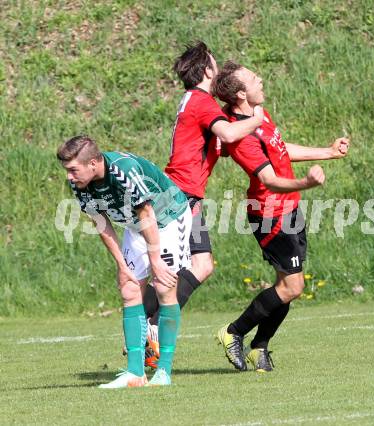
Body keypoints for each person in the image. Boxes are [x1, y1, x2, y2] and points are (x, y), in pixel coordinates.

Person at [213, 62, 350, 372]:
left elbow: (279, 149)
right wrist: (306, 182)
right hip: (269, 215)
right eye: (252, 78)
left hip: (289, 209)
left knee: (287, 286)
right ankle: (233, 332)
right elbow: (270, 179)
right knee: (292, 287)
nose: (260, 78)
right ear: (240, 93)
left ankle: (258, 348)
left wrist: (328, 152)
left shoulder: (258, 117)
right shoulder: (240, 138)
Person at [143, 42, 264, 363]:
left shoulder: (192, 101)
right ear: (207, 70)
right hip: (178, 196)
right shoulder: (202, 101)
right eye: (214, 63)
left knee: (201, 264)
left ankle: (146, 325)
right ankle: (147, 327)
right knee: (170, 271)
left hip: (181, 195)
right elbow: (227, 131)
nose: (218, 67)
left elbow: (215, 140)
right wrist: (257, 119)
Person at [57, 135, 192, 387]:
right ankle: (135, 373)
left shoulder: (123, 171)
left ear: (94, 162)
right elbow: (100, 223)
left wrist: (155, 261)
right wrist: (122, 265)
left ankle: (163, 372)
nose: (69, 176)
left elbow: (147, 212)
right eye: (67, 170)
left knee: (164, 287)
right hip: (135, 224)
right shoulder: (80, 183)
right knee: (129, 288)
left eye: (73, 170)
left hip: (168, 217)